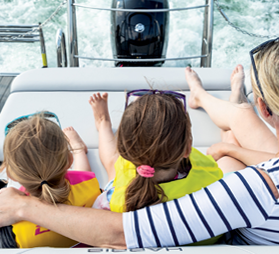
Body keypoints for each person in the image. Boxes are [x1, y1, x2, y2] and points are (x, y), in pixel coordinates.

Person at [0, 39, 279, 248]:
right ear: (187, 149)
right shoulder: (211, 173)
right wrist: (227, 149)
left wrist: (22, 207)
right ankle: (220, 102)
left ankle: (219, 102)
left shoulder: (254, 188)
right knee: (228, 140)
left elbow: (120, 232)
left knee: (230, 133)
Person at [89, 90, 223, 244]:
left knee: (113, 164)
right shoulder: (212, 180)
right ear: (187, 150)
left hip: (127, 199)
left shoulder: (117, 204)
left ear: (125, 151)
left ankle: (103, 122)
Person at [0, 113, 100, 248]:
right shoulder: (89, 185)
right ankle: (78, 150)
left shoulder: (11, 224)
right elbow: (84, 174)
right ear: (70, 160)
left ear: (11, 175)